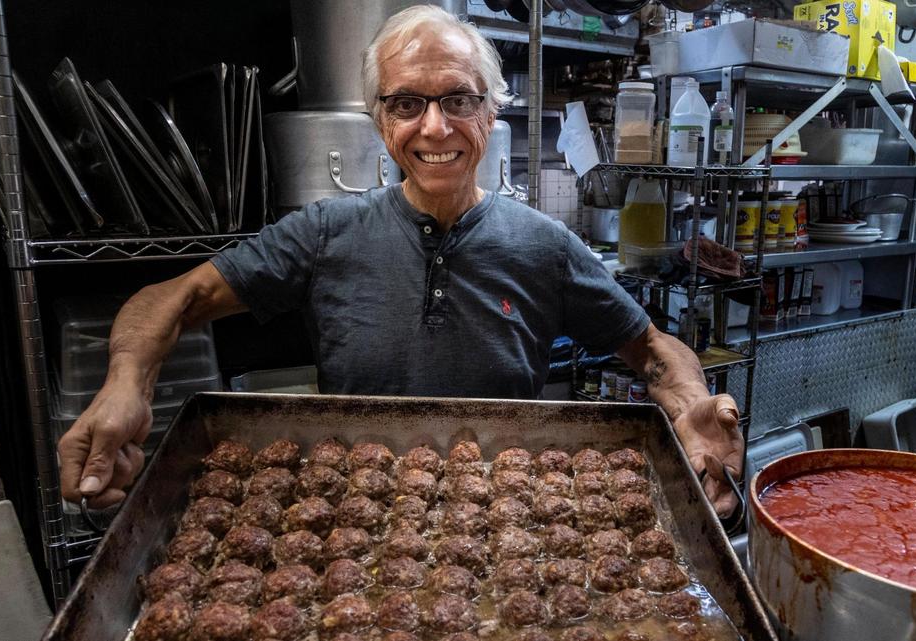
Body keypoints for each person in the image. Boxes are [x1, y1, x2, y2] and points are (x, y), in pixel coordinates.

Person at [57, 5, 743, 517]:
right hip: (354, 520)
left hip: (504, 526)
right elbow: (168, 299)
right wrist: (127, 381)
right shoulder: (324, 232)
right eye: (408, 103)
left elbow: (652, 349)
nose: (435, 127)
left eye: (457, 99)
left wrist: (687, 400)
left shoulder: (543, 246)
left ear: (491, 111)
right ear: (381, 121)